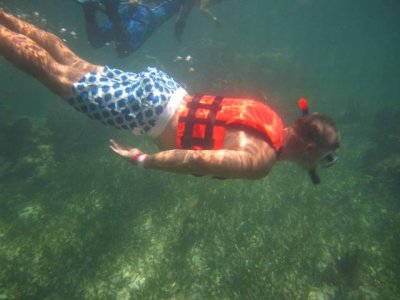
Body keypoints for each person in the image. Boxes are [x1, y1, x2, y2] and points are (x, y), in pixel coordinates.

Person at [0, 10, 340, 183]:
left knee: (73, 63)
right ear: (310, 149)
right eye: (325, 159)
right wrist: (142, 160)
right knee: (54, 76)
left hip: (168, 91)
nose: (320, 166)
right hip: (146, 113)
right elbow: (197, 160)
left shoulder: (273, 118)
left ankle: (6, 17)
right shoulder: (261, 161)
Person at [75, 0, 184, 57]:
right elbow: (183, 16)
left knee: (97, 42)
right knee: (124, 48)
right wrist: (178, 33)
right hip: (149, 14)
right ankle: (113, 16)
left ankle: (90, 11)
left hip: (131, 6)